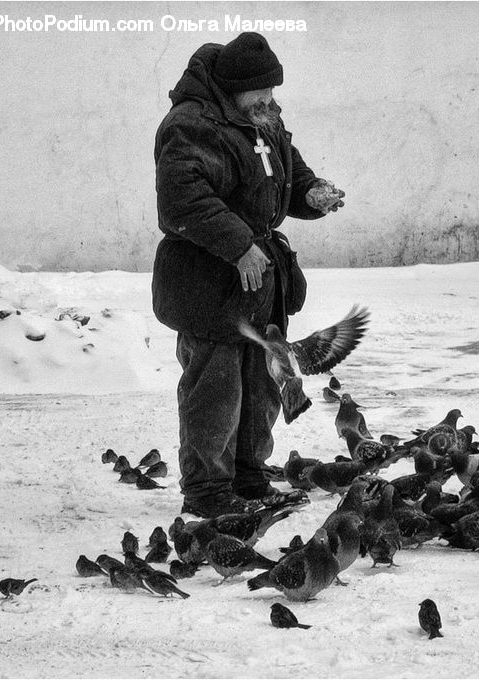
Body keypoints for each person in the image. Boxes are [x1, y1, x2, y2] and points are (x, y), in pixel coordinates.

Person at [152, 32, 345, 518]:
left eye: (273, 93)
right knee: (215, 391)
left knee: (260, 385)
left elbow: (286, 173)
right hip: (209, 281)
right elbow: (182, 200)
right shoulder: (190, 125)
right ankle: (209, 493)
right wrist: (239, 246)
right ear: (232, 89)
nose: (271, 103)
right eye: (261, 94)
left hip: (259, 283)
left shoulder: (261, 119)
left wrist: (310, 193)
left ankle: (249, 478)